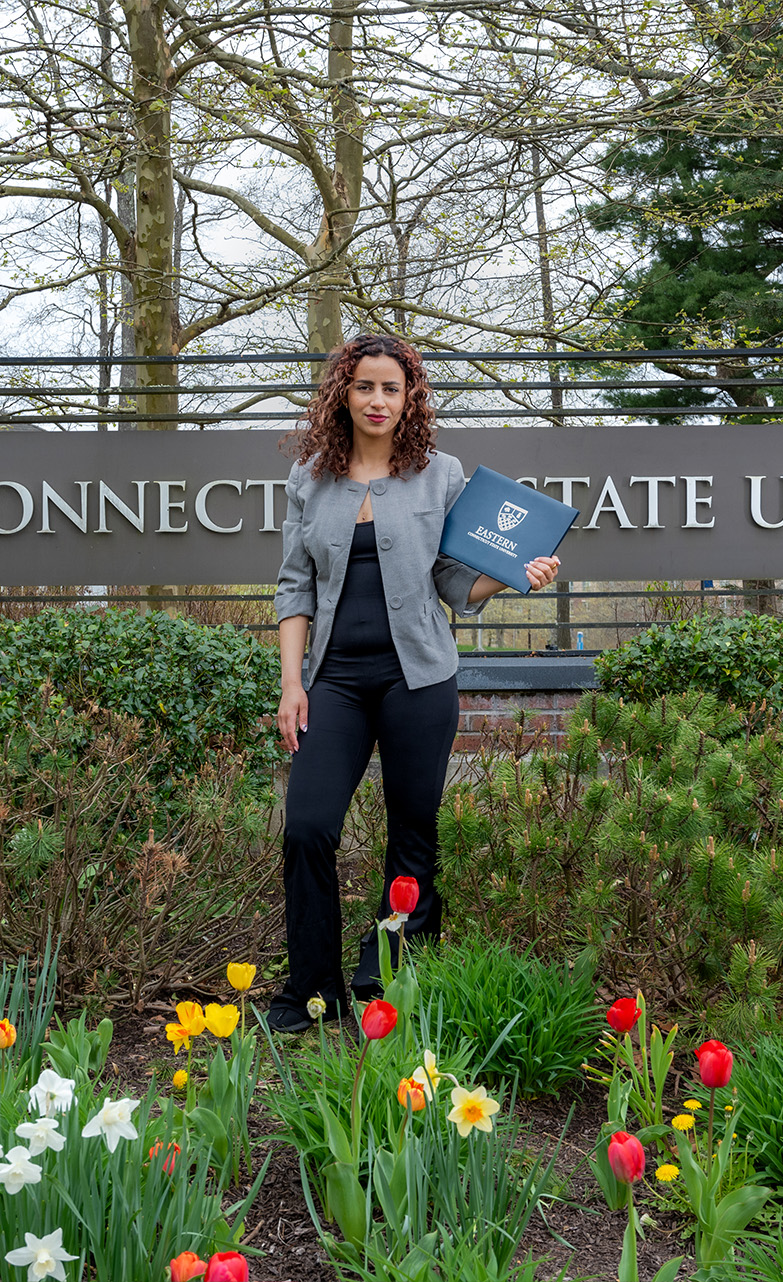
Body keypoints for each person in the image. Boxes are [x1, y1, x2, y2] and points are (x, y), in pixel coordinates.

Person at [267, 333, 561, 1033]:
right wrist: (291, 683)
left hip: (418, 679)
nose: (377, 400)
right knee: (306, 826)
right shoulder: (309, 479)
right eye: (365, 386)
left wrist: (515, 575)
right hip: (333, 681)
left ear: (410, 400)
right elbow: (293, 587)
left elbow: (456, 581)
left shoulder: (440, 474)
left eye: (391, 388)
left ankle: (388, 974)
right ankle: (312, 989)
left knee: (412, 835)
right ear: (343, 392)